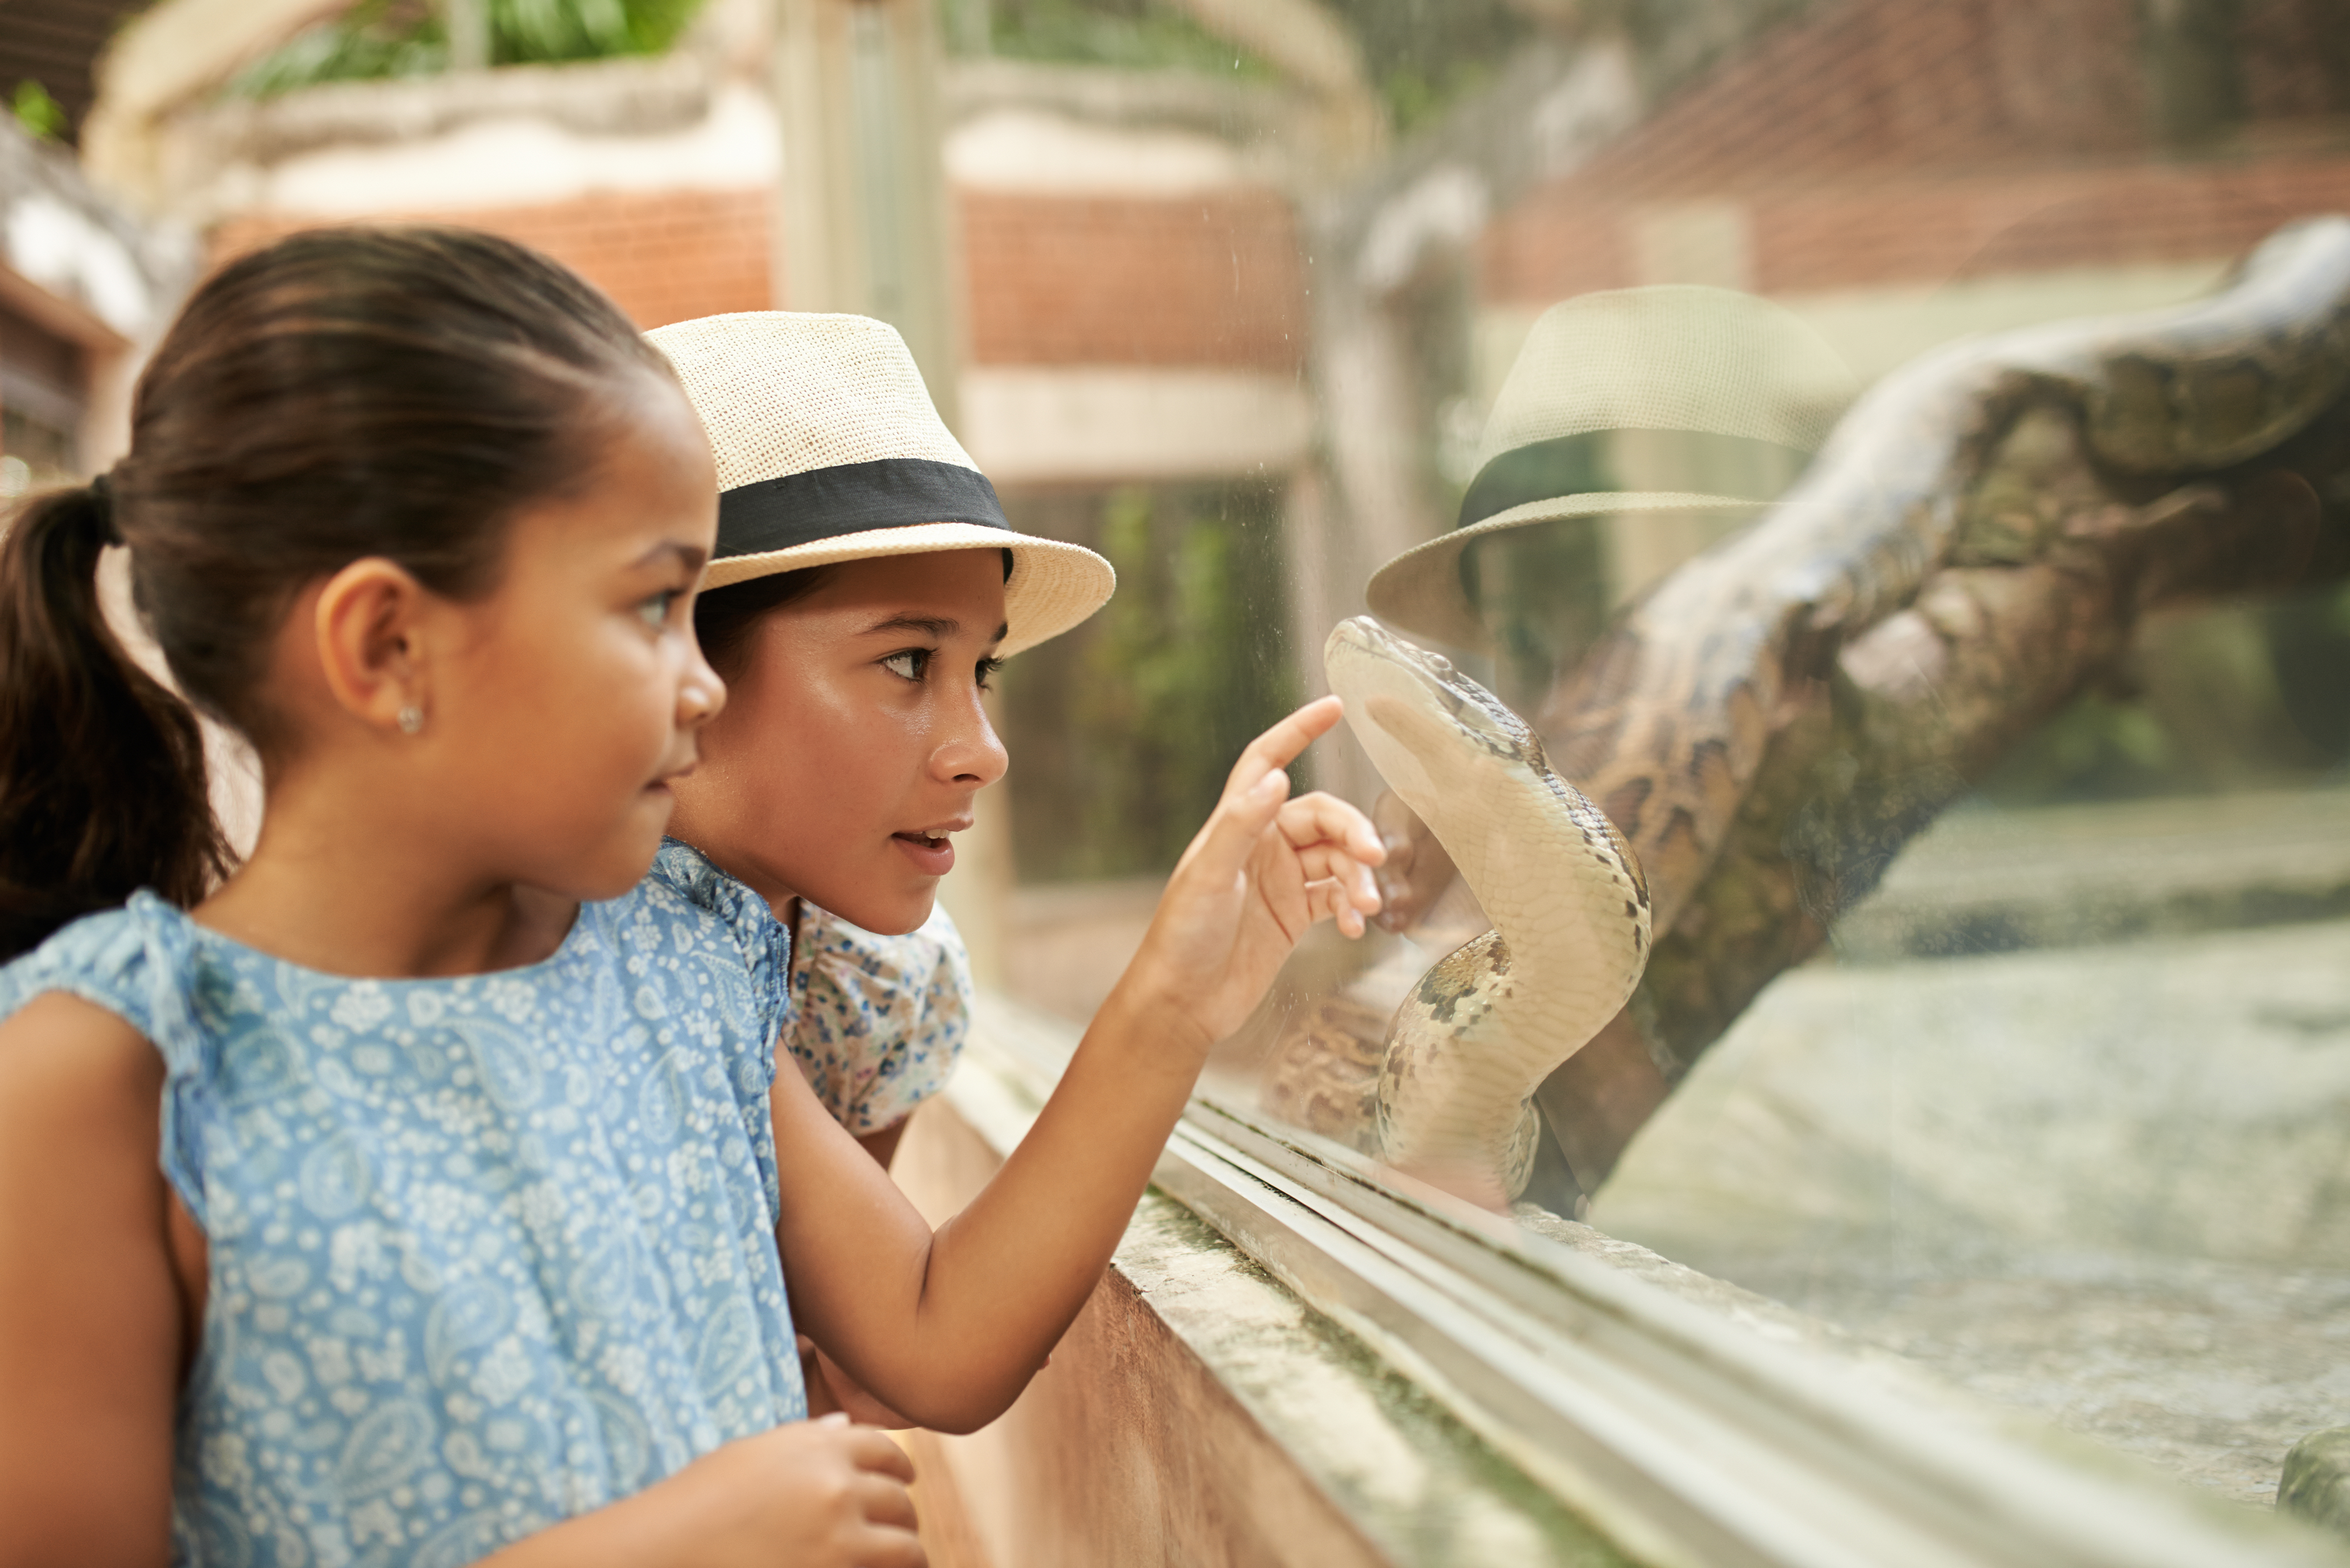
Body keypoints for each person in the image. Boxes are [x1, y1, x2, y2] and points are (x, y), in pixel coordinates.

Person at [0, 227, 1383, 1568]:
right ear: (387, 644)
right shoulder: (100, 1080)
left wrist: (1175, 998)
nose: (702, 684)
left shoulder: (684, 969)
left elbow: (935, 1332)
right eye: (653, 608)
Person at [637, 310, 1120, 1423]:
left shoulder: (869, 994)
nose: (982, 751)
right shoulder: (550, 942)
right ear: (681, 667)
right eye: (908, 661)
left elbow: (835, 1362)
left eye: (979, 670)